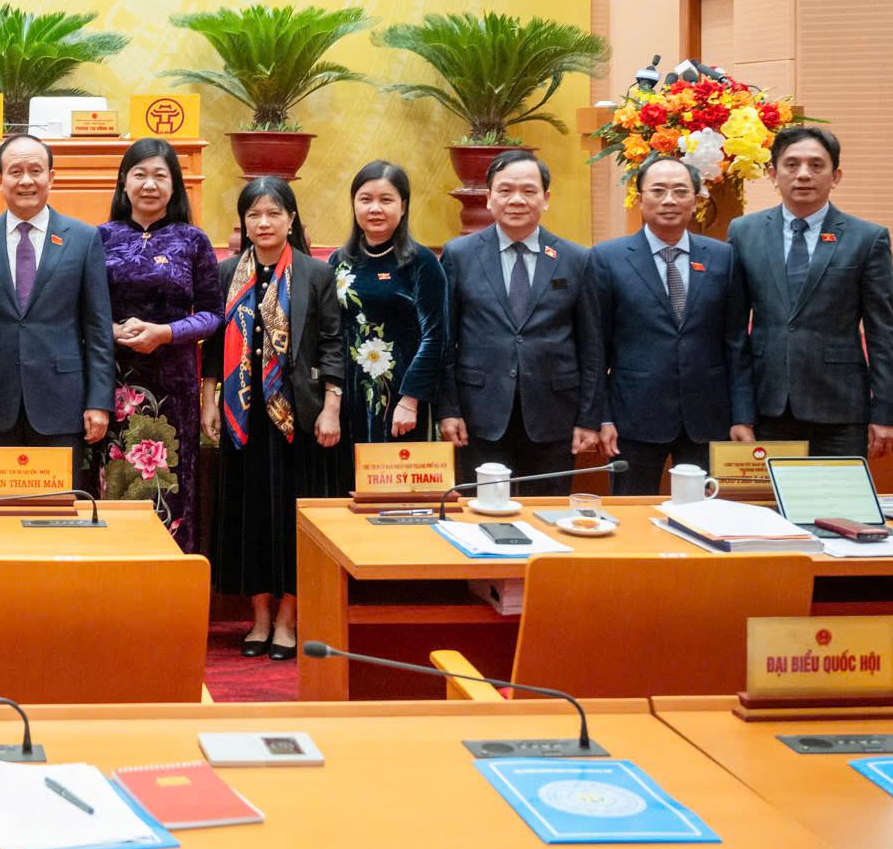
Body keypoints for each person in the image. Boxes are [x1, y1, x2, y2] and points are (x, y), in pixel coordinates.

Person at [203, 176, 343, 660]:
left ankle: (288, 620)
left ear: (290, 218)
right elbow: (212, 346)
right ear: (243, 223)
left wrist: (331, 407)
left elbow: (333, 344)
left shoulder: (315, 273)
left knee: (291, 518)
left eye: (273, 213)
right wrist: (208, 401)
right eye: (254, 215)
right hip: (241, 416)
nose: (264, 223)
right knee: (250, 518)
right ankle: (260, 617)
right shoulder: (226, 273)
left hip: (296, 418)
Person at [728, 127, 893, 459]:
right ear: (773, 174)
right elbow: (734, 330)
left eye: (816, 165)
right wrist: (739, 410)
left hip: (839, 406)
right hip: (767, 404)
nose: (803, 174)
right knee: (767, 495)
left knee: (838, 495)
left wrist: (887, 411)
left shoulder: (867, 238)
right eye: (792, 164)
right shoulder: (744, 232)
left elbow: (883, 333)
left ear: (835, 176)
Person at [436, 150, 603, 491]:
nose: (516, 200)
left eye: (528, 191)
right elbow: (445, 340)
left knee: (547, 511)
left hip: (554, 415)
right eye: (505, 190)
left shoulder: (576, 259)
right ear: (489, 197)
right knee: (483, 509)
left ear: (546, 198)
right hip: (479, 414)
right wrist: (448, 409)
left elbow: (592, 346)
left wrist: (589, 417)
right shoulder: (459, 255)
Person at [587, 156, 756, 483]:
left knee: (705, 509)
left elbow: (736, 343)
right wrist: (602, 417)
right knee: (632, 507)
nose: (669, 200)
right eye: (658, 191)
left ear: (697, 200)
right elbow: (595, 348)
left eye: (680, 191)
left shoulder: (723, 257)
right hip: (632, 417)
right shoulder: (607, 258)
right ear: (640, 199)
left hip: (708, 417)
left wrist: (742, 416)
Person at [98, 138, 221, 549]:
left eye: (160, 176)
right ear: (124, 182)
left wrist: (165, 332)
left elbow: (212, 315)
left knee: (172, 487)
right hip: (116, 384)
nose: (149, 184)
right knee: (116, 485)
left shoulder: (193, 240)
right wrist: (114, 331)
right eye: (140, 174)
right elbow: (82, 312)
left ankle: (172, 578)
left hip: (174, 386)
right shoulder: (99, 238)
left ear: (175, 185)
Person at [0, 135, 112, 485]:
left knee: (58, 507)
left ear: (52, 177)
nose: (26, 180)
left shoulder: (83, 238)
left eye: (35, 170)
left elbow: (97, 328)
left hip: (61, 401)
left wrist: (98, 401)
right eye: (15, 171)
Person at [331, 161, 451, 461]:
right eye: (365, 199)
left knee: (398, 480)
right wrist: (331, 398)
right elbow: (329, 332)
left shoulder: (421, 263)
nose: (375, 208)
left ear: (403, 205)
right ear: (354, 204)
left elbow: (435, 336)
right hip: (348, 394)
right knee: (348, 478)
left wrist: (411, 399)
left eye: (386, 200)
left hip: (400, 397)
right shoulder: (339, 261)